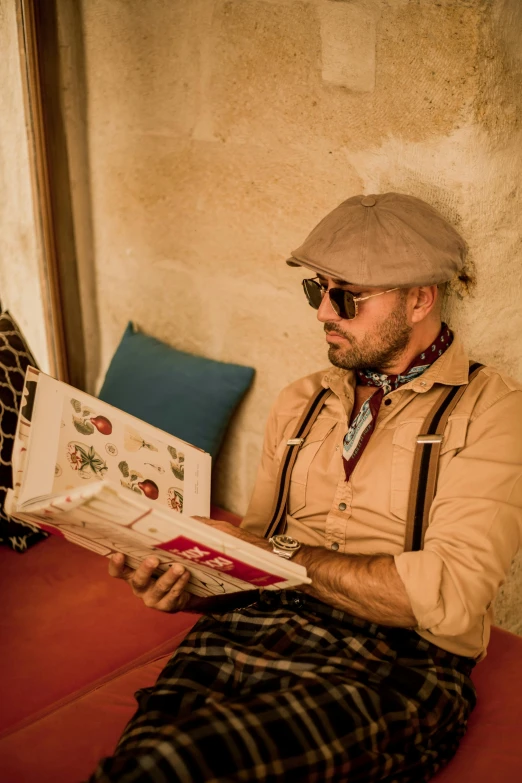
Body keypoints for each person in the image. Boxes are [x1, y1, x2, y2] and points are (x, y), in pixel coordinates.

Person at [90, 193, 522, 783]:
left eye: (345, 296)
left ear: (420, 299)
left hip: (396, 661)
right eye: (316, 290)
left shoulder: (492, 410)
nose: (323, 312)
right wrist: (185, 587)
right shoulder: (301, 401)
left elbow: (446, 596)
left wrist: (276, 553)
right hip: (250, 628)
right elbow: (249, 568)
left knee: (174, 764)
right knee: (138, 762)